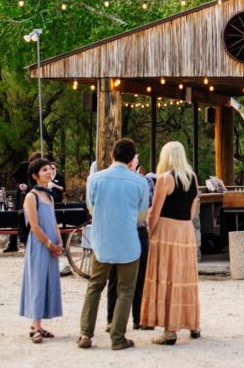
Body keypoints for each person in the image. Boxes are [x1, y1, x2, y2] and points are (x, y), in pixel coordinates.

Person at [77, 139, 150, 351]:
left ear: (112, 155)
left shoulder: (95, 179)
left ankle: (85, 333)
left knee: (94, 287)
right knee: (126, 289)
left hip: (102, 242)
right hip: (128, 243)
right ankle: (118, 337)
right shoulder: (140, 182)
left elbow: (91, 208)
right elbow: (142, 215)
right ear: (132, 159)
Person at [140, 142, 200, 346]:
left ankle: (169, 330)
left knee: (167, 277)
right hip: (186, 229)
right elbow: (193, 211)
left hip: (167, 230)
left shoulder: (165, 179)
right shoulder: (192, 178)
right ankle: (193, 324)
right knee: (185, 276)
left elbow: (154, 212)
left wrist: (151, 232)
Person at [19, 157, 63, 343]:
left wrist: (59, 241)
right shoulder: (32, 197)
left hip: (51, 244)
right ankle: (35, 326)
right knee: (37, 282)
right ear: (35, 175)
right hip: (39, 245)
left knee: (47, 282)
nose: (49, 172)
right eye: (44, 170)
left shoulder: (49, 196)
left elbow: (53, 222)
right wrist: (49, 244)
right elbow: (35, 226)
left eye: (49, 169)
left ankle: (38, 324)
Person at [107, 153, 152, 330]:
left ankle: (127, 318)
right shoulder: (138, 181)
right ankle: (124, 318)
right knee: (122, 276)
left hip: (128, 229)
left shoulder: (143, 181)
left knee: (130, 275)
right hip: (130, 228)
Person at [6, 151, 44, 253]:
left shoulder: (39, 171)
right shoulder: (24, 166)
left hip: (31, 194)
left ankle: (28, 241)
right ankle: (12, 243)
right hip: (20, 196)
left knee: (29, 218)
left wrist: (29, 187)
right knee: (15, 217)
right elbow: (15, 176)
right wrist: (19, 184)